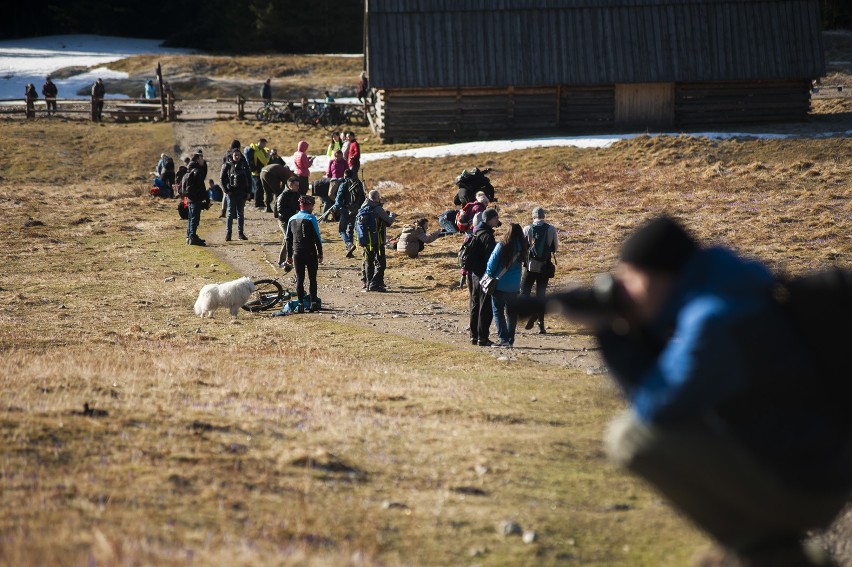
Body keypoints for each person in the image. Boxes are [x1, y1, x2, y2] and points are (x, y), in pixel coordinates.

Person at [583, 216, 852, 566]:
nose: (624, 292)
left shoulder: (713, 320)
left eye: (628, 278)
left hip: (806, 486)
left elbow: (655, 405)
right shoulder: (735, 290)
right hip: (823, 468)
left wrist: (607, 333)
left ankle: (765, 552)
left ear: (658, 275)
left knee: (629, 437)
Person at [485, 223, 527, 348]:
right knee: (511, 313)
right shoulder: (522, 248)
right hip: (514, 286)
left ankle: (503, 339)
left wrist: (490, 275)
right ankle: (510, 339)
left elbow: (491, 265)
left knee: (498, 312)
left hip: (499, 285)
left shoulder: (501, 246)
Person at [466, 208, 500, 346]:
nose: (497, 221)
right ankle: (483, 337)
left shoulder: (476, 232)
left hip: (474, 274)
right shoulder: (487, 236)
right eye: (496, 218)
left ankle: (474, 336)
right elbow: (491, 259)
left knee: (475, 305)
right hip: (484, 275)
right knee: (485, 307)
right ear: (490, 219)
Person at [522, 207, 558, 334]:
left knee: (524, 291)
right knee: (541, 295)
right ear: (543, 216)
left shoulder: (527, 229)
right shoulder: (551, 229)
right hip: (545, 266)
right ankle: (541, 325)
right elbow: (555, 248)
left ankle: (532, 311)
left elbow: (522, 247)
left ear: (533, 216)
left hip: (530, 266)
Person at [286, 195, 323, 312]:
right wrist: (320, 254)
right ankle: (313, 304)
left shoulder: (291, 219)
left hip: (297, 253)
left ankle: (300, 304)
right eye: (312, 205)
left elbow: (288, 238)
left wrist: (288, 255)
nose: (313, 208)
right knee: (312, 279)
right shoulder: (311, 219)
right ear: (309, 206)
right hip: (311, 253)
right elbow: (317, 238)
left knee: (300, 279)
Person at [358, 189, 396, 292]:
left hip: (366, 240)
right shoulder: (377, 208)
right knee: (381, 263)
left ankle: (368, 284)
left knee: (368, 262)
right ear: (378, 198)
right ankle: (375, 284)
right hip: (378, 240)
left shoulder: (363, 207)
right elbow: (389, 221)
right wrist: (392, 215)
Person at [220, 148, 252, 241]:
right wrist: (226, 191)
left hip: (242, 193)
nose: (237, 157)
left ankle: (240, 234)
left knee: (240, 214)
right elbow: (222, 179)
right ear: (232, 156)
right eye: (235, 155)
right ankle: (228, 234)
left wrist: (249, 192)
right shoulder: (227, 165)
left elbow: (249, 180)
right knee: (230, 214)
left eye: (238, 155)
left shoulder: (244, 165)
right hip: (232, 193)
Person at [333, 169, 362, 258]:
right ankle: (349, 251)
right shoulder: (358, 184)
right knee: (350, 229)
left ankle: (349, 244)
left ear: (345, 175)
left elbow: (338, 200)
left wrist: (335, 208)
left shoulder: (343, 185)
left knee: (341, 230)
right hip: (355, 210)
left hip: (345, 210)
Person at [275, 176, 302, 268]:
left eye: (298, 185)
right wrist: (292, 215)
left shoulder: (297, 194)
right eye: (296, 185)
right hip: (284, 221)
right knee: (288, 239)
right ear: (290, 185)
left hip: (293, 220)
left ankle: (291, 260)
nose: (298, 187)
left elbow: (299, 206)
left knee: (290, 240)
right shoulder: (283, 196)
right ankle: (282, 261)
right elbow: (280, 211)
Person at [184, 151, 209, 246]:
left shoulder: (189, 169)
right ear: (198, 159)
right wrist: (206, 199)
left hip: (190, 198)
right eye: (202, 158)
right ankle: (193, 237)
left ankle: (190, 236)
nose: (203, 160)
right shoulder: (197, 171)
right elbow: (201, 187)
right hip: (195, 198)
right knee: (195, 218)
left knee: (191, 218)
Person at [245, 138, 271, 209]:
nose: (264, 146)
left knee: (260, 188)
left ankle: (260, 202)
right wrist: (268, 156)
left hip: (257, 171)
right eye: (264, 144)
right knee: (259, 188)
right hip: (257, 172)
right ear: (261, 143)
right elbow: (265, 161)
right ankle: (258, 203)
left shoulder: (257, 150)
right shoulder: (257, 151)